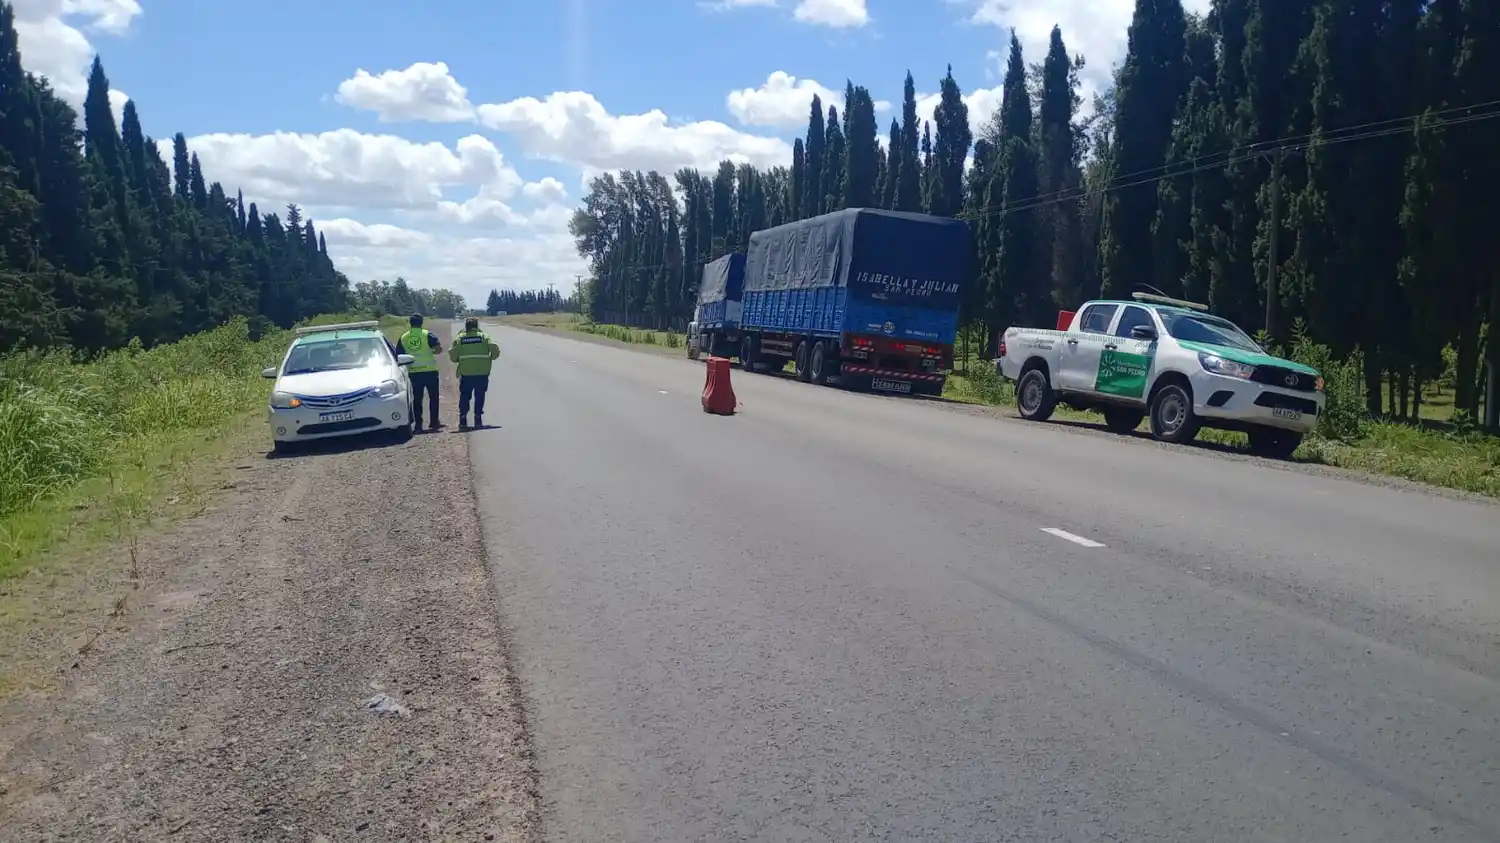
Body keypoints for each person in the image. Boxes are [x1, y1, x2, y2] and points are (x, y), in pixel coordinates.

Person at [393, 314, 443, 431]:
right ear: (421, 323)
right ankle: (434, 422)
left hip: (414, 372)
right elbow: (438, 349)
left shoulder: (404, 337)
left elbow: (399, 355)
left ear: (410, 323)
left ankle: (418, 424)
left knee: (416, 399)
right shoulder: (427, 334)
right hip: (430, 371)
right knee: (433, 398)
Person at [450, 316, 500, 430]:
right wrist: (491, 357)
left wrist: (459, 359)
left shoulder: (460, 338)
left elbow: (453, 356)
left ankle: (463, 419)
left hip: (466, 373)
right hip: (482, 372)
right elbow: (495, 348)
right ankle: (478, 418)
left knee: (465, 396)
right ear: (476, 326)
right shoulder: (483, 337)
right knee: (480, 395)